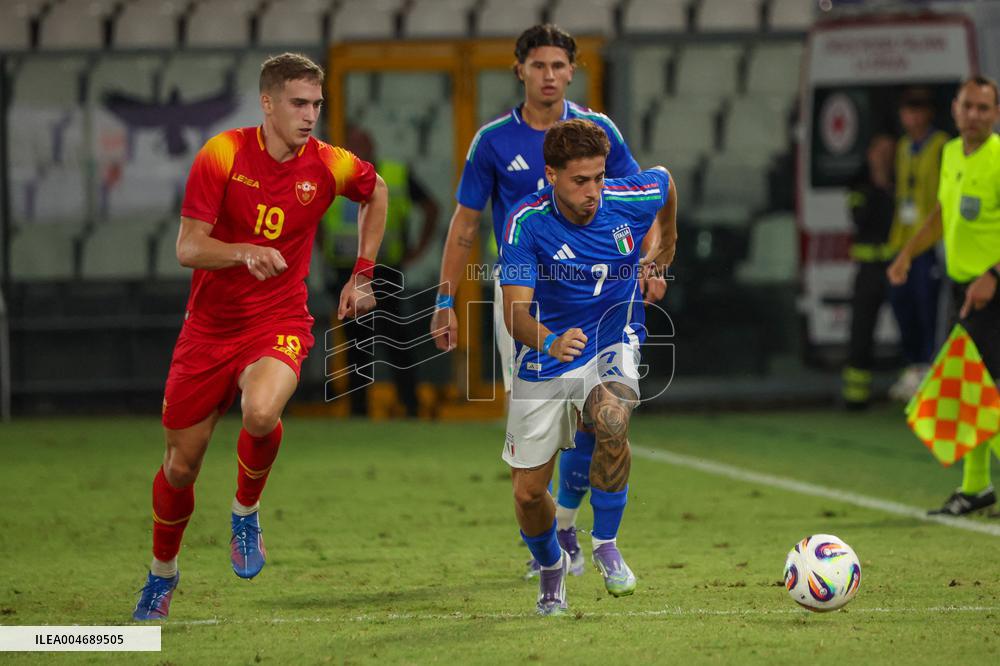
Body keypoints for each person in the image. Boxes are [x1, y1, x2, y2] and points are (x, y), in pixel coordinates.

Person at [132, 53, 388, 621]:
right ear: (267, 103)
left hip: (278, 320)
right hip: (208, 329)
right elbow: (187, 247)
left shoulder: (329, 163)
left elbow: (379, 192)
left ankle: (244, 513)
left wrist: (362, 274)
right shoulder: (221, 154)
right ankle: (162, 574)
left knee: (262, 411)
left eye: (317, 105)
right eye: (299, 103)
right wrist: (243, 251)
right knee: (180, 467)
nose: (310, 115)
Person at [429, 23, 665, 580]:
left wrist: (651, 260)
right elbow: (465, 225)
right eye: (539, 66)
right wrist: (444, 299)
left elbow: (638, 201)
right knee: (546, 420)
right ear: (520, 71)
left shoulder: (596, 131)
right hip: (526, 298)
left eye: (560, 66)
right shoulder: (492, 142)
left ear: (572, 71)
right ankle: (545, 525)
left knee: (599, 415)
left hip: (598, 291)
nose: (550, 76)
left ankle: (567, 525)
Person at [498, 118, 676, 614]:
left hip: (611, 339)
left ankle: (606, 546)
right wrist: (550, 341)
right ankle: (552, 566)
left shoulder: (627, 199)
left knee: (612, 420)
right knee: (530, 494)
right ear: (551, 174)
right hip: (548, 352)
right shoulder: (525, 223)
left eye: (599, 177)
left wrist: (666, 249)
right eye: (580, 181)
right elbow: (515, 313)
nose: (594, 191)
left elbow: (665, 182)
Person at [888, 75, 1000, 516]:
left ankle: (976, 487)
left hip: (993, 291)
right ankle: (976, 487)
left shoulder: (998, 158)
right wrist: (908, 254)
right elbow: (941, 212)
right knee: (974, 391)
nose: (974, 115)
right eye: (968, 106)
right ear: (954, 108)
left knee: (973, 390)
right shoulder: (953, 153)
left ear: (994, 113)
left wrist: (992, 274)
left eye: (984, 108)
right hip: (963, 289)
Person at [318, 125, 440, 417]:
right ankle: (359, 411)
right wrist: (322, 246)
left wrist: (418, 249)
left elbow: (431, 208)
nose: (356, 151)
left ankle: (411, 407)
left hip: (384, 271)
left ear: (372, 148)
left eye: (361, 145)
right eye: (351, 146)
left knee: (396, 338)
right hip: (345, 271)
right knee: (356, 343)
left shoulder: (395, 174)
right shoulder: (330, 176)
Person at [886, 89, 949, 400]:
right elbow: (902, 197)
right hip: (906, 242)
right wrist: (897, 247)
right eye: (907, 111)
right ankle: (914, 367)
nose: (911, 117)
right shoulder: (902, 147)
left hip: (932, 243)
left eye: (917, 110)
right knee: (901, 303)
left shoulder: (941, 146)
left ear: (929, 113)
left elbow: (942, 201)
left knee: (930, 308)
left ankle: (929, 369)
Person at [842, 134, 897, 409]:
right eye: (880, 151)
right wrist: (878, 184)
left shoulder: (900, 181)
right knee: (861, 331)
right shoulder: (859, 184)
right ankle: (856, 396)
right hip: (868, 271)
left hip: (898, 268)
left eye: (889, 151)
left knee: (912, 329)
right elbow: (860, 219)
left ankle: (917, 392)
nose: (884, 157)